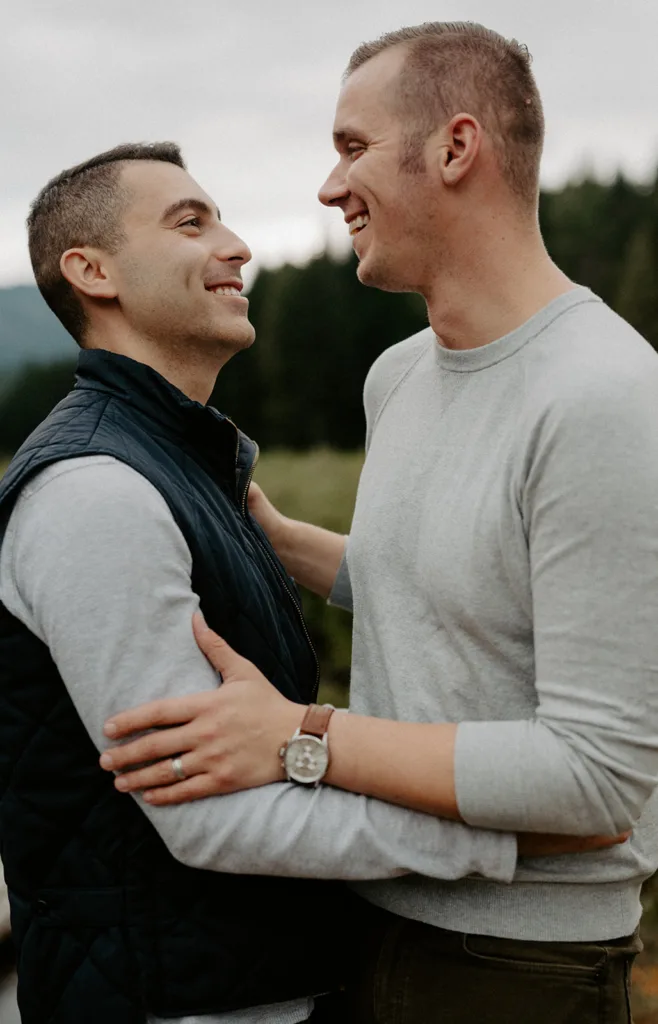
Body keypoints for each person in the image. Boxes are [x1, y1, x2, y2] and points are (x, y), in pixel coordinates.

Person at [102, 22, 658, 1024]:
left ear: (455, 149)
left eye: (352, 147)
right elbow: (454, 580)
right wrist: (269, 534)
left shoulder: (606, 399)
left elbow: (596, 777)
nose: (327, 186)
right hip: (361, 922)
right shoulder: (396, 376)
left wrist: (299, 737)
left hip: (513, 969)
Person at [0, 140, 592, 1024]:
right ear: (91, 271)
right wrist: (509, 829)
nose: (236, 245)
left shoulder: (180, 466)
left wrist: (270, 537)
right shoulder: (97, 492)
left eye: (225, 218)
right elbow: (208, 818)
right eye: (190, 222)